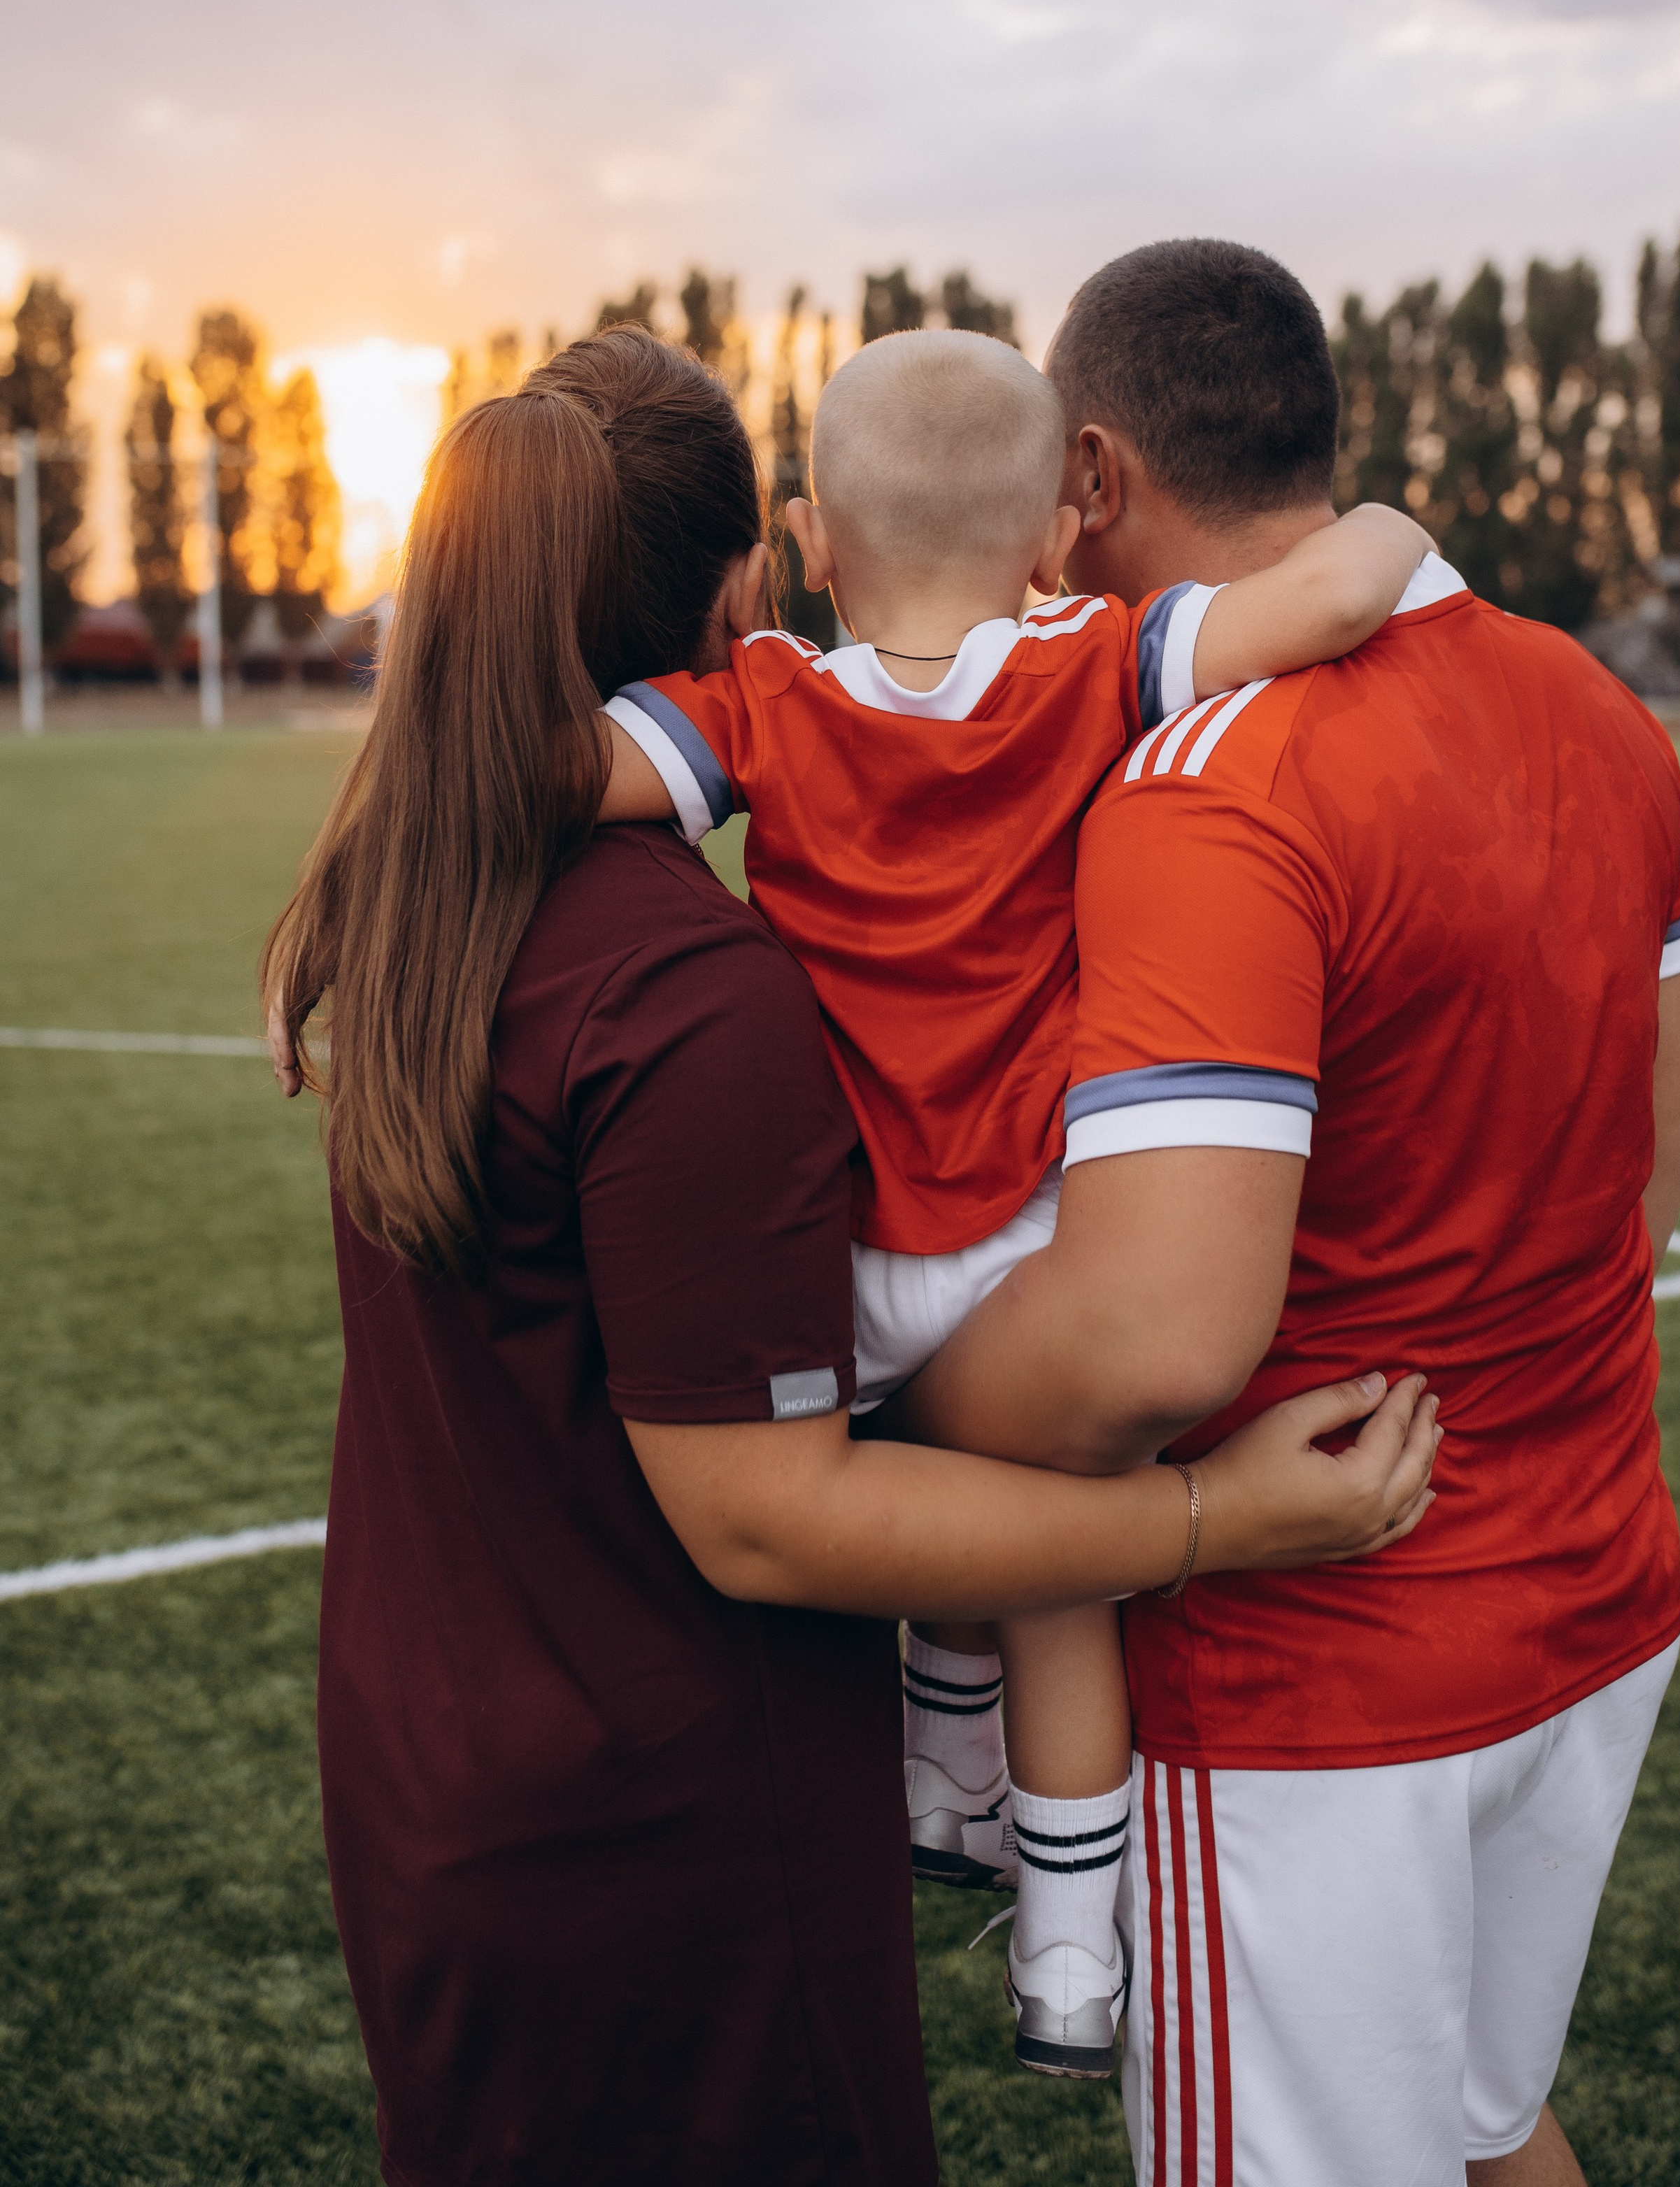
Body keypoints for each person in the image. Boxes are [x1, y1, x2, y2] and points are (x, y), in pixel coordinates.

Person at [262, 327, 1439, 2187]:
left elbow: (518, 777)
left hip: (434, 1784)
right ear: (742, 573)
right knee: (1031, 1462)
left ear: (811, 551)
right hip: (679, 1844)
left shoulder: (468, 928)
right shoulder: (690, 1002)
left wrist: (356, 867)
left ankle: (970, 1797)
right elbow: (772, 1519)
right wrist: (1220, 1523)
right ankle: (1054, 1915)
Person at [901, 239, 1680, 2187]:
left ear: (1091, 475)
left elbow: (1156, 1341)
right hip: (1592, 1587)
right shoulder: (1590, 703)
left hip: (1311, 1675)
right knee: (1486, 2130)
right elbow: (1661, 1133)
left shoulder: (1208, 781)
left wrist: (892, 1444)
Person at [597, 325, 1435, 2074]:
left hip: (837, 1261)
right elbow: (1336, 600)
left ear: (816, 540)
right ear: (1056, 530)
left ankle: (935, 1779)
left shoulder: (757, 699)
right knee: (1058, 1558)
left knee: (921, 1513)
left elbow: (550, 780)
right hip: (1021, 1247)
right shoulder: (1097, 660)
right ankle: (1066, 1965)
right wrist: (1386, 524)